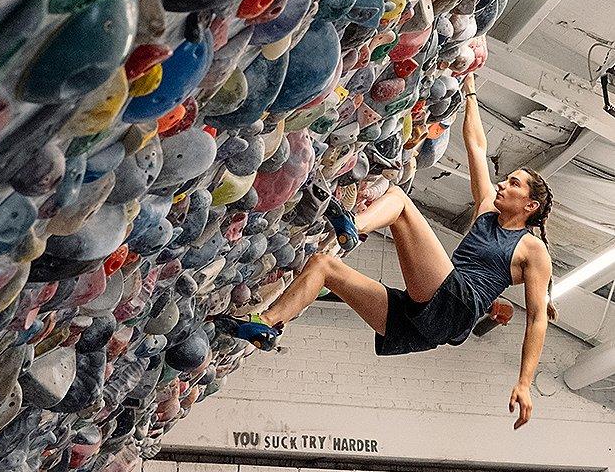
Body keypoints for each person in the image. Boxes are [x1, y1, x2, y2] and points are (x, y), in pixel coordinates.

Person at [223, 73, 556, 429]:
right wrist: (470, 87)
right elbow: (476, 146)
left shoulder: (533, 250)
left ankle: (353, 227)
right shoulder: (488, 208)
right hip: (426, 317)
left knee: (398, 201)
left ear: (530, 205)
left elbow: (536, 319)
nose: (503, 184)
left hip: (457, 305)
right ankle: (266, 325)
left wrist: (524, 383)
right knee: (323, 266)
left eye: (514, 184)